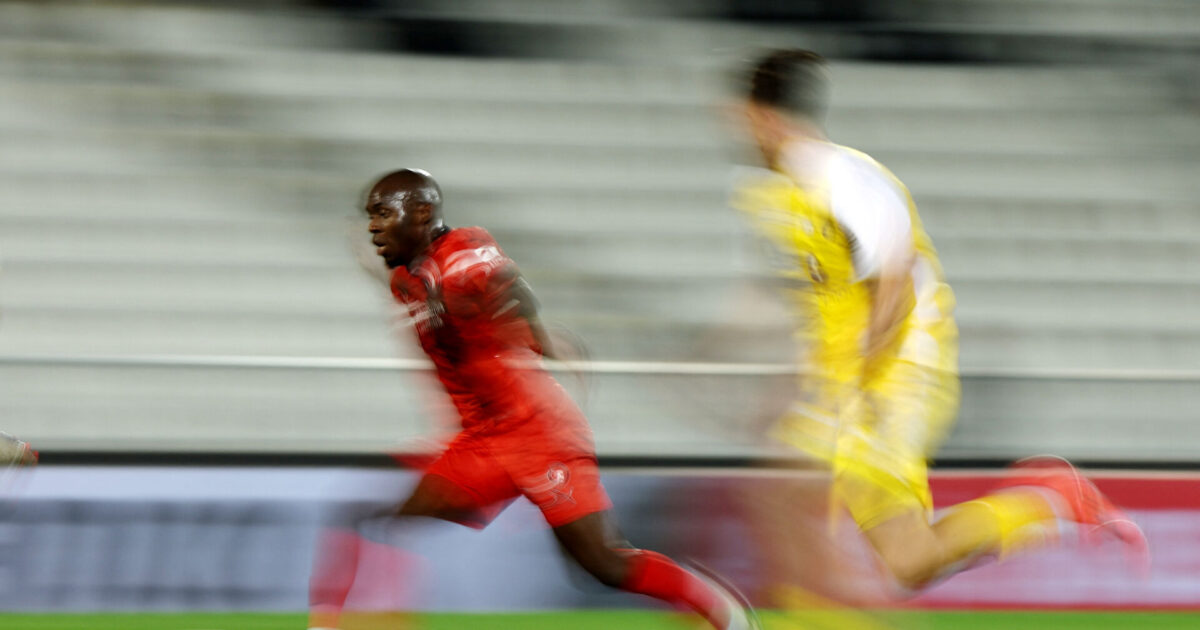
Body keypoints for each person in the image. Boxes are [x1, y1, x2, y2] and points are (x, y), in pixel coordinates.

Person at [729, 49, 1146, 601]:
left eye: (740, 116)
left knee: (782, 497)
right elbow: (822, 303)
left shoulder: (841, 177)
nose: (737, 129)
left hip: (900, 370)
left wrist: (863, 381)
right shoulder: (777, 194)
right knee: (911, 561)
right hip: (845, 379)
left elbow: (895, 283)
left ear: (762, 115)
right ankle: (1049, 500)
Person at [308, 168, 757, 630]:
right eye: (370, 216)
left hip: (538, 435)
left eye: (383, 214)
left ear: (422, 213)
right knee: (373, 511)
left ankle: (719, 611)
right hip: (482, 443)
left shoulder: (464, 250)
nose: (373, 227)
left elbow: (503, 285)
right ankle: (335, 623)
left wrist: (540, 335)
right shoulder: (405, 279)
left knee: (603, 564)